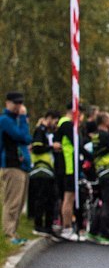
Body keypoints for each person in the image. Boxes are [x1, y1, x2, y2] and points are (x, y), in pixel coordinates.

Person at [83, 111, 109, 245]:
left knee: (102, 203)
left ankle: (94, 231)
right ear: (104, 121)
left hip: (100, 171)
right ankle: (105, 234)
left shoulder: (96, 136)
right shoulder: (106, 136)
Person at [0, 91, 32, 245]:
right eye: (15, 103)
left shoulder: (16, 120)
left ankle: (14, 232)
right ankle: (8, 234)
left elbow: (27, 138)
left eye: (20, 103)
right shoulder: (5, 120)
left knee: (19, 202)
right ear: (8, 103)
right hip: (11, 164)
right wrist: (24, 119)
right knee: (12, 202)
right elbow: (22, 137)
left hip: (22, 166)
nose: (18, 106)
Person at [28, 110, 60, 239]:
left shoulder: (46, 132)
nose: (55, 125)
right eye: (55, 122)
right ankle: (38, 225)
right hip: (41, 170)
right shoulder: (40, 130)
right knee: (41, 198)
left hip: (48, 171)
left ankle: (48, 226)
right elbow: (37, 147)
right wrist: (52, 147)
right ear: (50, 118)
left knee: (50, 199)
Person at [52, 104, 82, 240]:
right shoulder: (67, 125)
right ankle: (67, 227)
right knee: (68, 198)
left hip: (62, 165)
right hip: (68, 166)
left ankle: (64, 225)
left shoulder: (60, 124)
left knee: (64, 197)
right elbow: (77, 145)